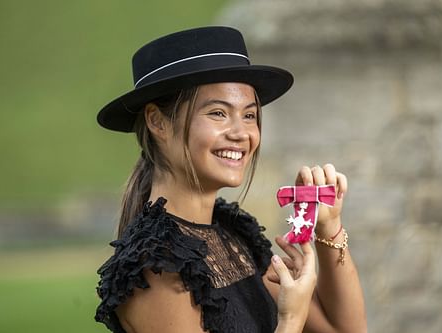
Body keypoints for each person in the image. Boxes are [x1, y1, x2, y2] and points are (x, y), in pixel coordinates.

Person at [94, 26, 366, 333]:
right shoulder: (154, 268)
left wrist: (328, 227)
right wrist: (290, 320)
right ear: (157, 121)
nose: (241, 134)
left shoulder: (233, 235)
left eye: (249, 115)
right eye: (218, 113)